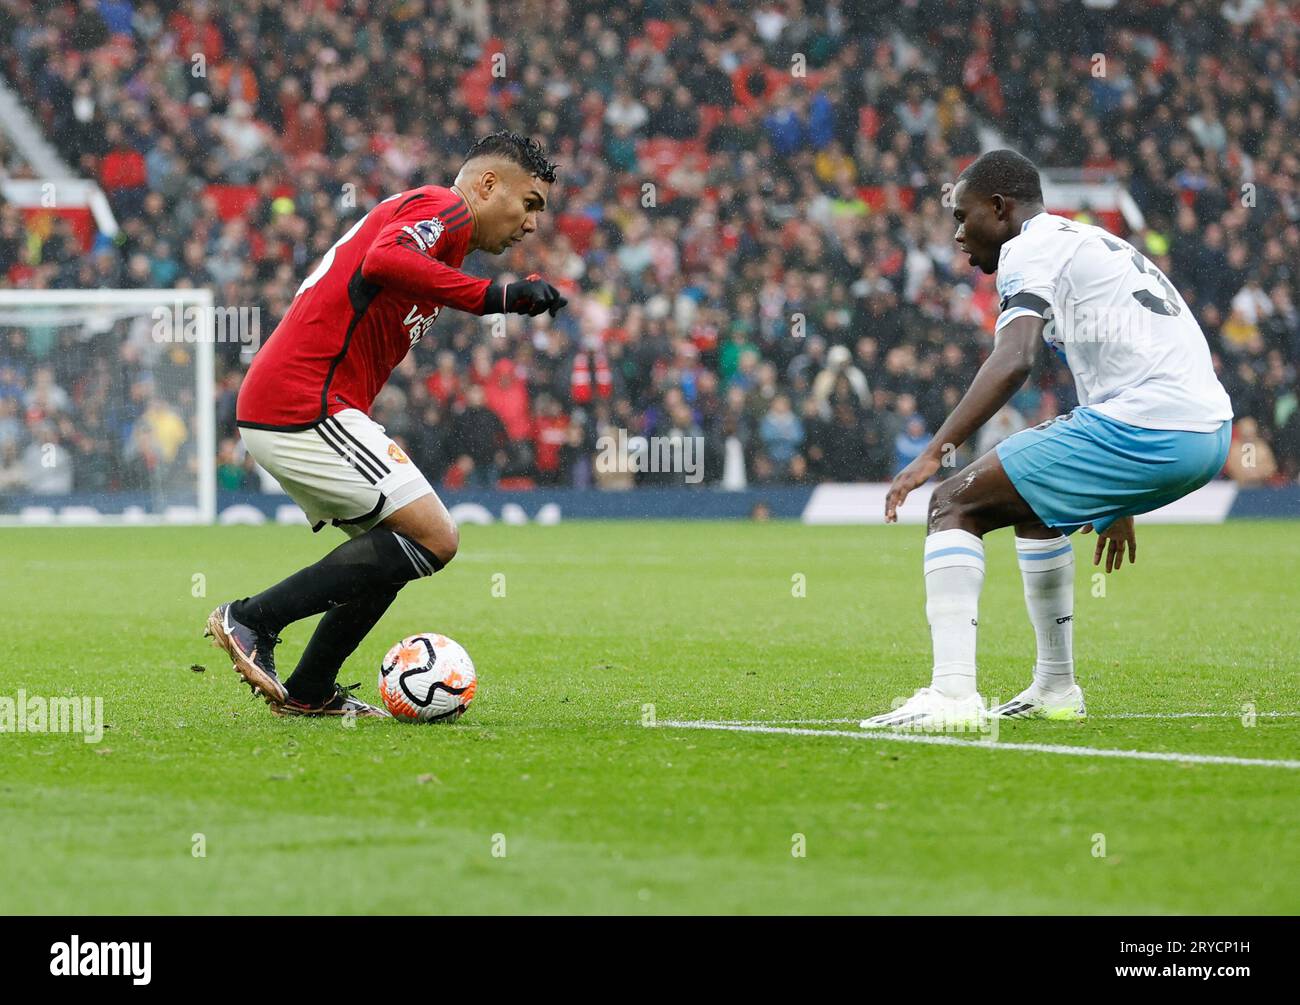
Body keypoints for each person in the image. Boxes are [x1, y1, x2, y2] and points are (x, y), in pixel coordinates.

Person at [862, 149, 1232, 730]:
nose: (958, 234)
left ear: (1000, 208)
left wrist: (935, 451)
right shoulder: (1083, 243)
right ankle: (1056, 689)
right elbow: (1131, 354)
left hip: (1153, 426)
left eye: (963, 217)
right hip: (1203, 430)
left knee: (952, 502)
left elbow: (1014, 361)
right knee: (1037, 510)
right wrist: (1118, 495)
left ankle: (952, 696)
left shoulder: (1028, 249)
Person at [205, 131, 567, 717]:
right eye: (529, 204)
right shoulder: (443, 208)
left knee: (398, 549)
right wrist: (493, 298)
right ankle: (250, 618)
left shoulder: (443, 242)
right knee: (435, 537)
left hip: (301, 403)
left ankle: (309, 689)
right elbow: (384, 259)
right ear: (488, 184)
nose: (531, 224)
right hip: (303, 401)